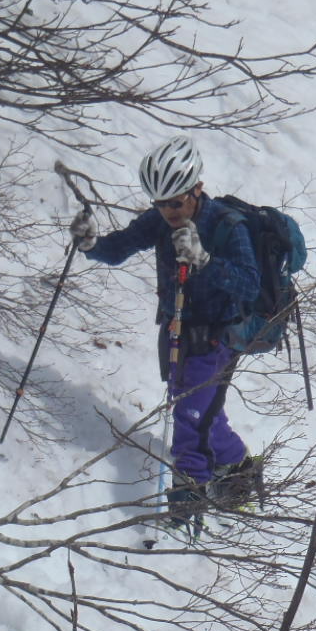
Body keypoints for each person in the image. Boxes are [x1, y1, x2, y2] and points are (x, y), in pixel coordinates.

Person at [69, 135, 262, 533]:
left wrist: (205, 260)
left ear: (197, 189)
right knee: (199, 409)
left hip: (219, 335)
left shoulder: (227, 225)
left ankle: (183, 508)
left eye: (175, 202)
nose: (167, 211)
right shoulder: (158, 222)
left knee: (190, 414)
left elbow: (250, 285)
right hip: (176, 331)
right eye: (159, 202)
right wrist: (90, 245)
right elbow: (119, 247)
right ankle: (239, 471)